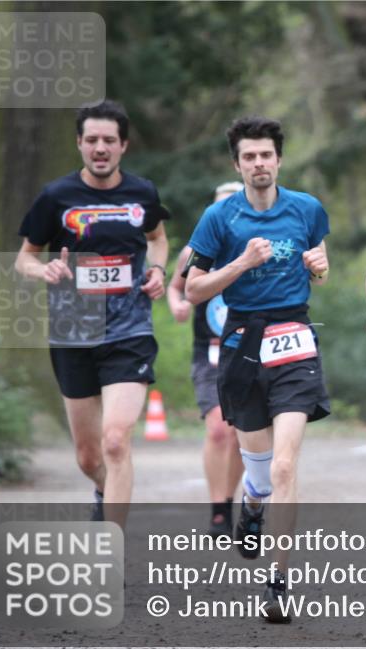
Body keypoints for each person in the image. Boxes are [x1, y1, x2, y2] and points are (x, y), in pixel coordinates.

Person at [184, 116, 330, 623]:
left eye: (266, 154)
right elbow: (193, 289)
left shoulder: (307, 208)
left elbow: (320, 259)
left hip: (294, 338)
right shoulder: (220, 218)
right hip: (243, 340)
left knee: (287, 465)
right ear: (237, 164)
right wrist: (241, 264)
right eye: (249, 156)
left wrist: (320, 267)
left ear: (279, 159)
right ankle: (251, 503)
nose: (259, 163)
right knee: (262, 471)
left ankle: (276, 584)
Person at [14, 100, 170, 525]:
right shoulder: (56, 197)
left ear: (123, 146)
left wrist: (157, 269)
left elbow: (157, 238)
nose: (100, 148)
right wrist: (44, 268)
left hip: (129, 328)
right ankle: (104, 489)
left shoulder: (142, 193)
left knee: (116, 441)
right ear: (80, 144)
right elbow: (24, 257)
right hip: (73, 330)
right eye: (92, 140)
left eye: (109, 140)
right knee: (88, 457)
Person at [167, 182, 245, 537]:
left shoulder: (253, 249)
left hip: (248, 348)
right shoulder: (195, 252)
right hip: (209, 350)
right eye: (221, 208)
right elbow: (174, 286)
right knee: (218, 429)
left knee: (243, 433)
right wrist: (178, 304)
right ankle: (217, 510)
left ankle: (229, 498)